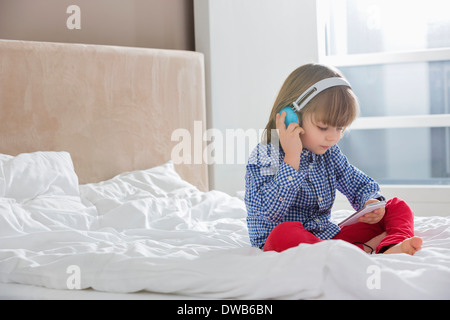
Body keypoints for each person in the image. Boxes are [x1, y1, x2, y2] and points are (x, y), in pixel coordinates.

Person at [244, 63, 422, 255]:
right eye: (323, 127)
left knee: (395, 206)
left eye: (340, 128)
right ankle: (361, 250)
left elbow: (357, 183)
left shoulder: (329, 153)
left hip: (326, 238)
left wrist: (370, 203)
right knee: (284, 234)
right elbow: (271, 211)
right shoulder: (264, 155)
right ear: (291, 118)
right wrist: (292, 157)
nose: (333, 137)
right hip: (284, 242)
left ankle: (388, 247)